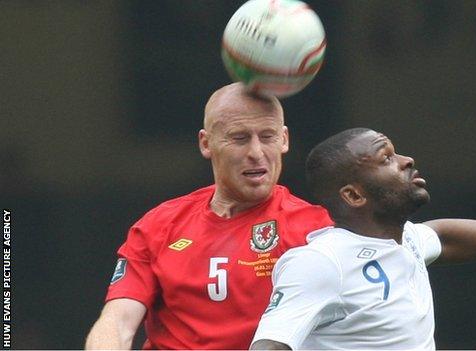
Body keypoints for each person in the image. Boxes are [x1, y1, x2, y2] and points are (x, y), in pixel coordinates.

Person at [250, 127, 476, 350]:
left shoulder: (405, 241)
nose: (406, 160)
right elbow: (270, 344)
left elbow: (445, 236)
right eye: (386, 158)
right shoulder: (321, 261)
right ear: (354, 196)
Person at [84, 82, 334, 349]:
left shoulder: (318, 232)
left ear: (284, 139)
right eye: (239, 138)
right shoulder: (158, 226)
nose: (256, 153)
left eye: (267, 136)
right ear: (206, 143)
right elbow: (117, 322)